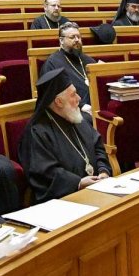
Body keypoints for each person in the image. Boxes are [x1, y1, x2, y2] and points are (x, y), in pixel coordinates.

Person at [19, 68, 111, 203]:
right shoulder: (37, 132)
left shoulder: (77, 118)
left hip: (97, 190)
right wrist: (78, 183)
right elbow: (45, 173)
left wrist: (103, 171)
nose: (79, 99)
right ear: (58, 102)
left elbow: (98, 147)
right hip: (64, 200)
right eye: (73, 95)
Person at [39, 22, 97, 109]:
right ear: (61, 40)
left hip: (95, 106)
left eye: (79, 37)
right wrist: (81, 105)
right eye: (72, 37)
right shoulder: (52, 63)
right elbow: (51, 94)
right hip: (71, 111)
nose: (77, 40)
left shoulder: (89, 60)